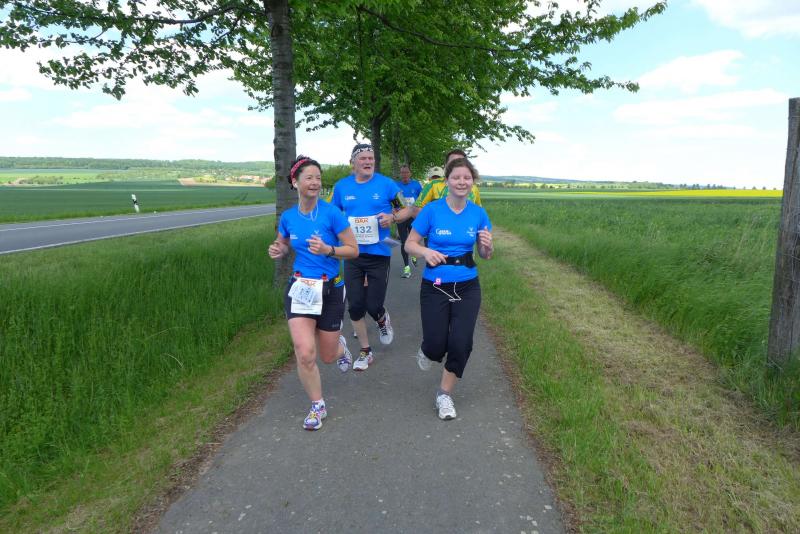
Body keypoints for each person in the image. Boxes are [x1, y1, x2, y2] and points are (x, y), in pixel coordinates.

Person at [269, 155, 359, 430]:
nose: (315, 182)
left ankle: (340, 347)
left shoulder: (332, 214)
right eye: (309, 177)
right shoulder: (288, 217)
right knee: (305, 352)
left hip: (330, 288)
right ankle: (317, 405)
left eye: (318, 178)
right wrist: (278, 249)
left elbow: (353, 250)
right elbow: (283, 243)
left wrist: (328, 250)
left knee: (327, 356)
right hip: (300, 289)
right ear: (295, 182)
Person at [404, 157, 493, 420]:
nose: (462, 182)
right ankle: (427, 350)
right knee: (435, 345)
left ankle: (444, 394)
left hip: (467, 285)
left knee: (461, 343)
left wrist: (487, 246)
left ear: (472, 181)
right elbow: (410, 243)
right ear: (447, 181)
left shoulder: (478, 213)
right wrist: (425, 252)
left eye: (467, 177)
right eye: (456, 177)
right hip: (436, 285)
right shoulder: (432, 210)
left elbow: (485, 254)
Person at [329, 143, 412, 371]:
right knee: (355, 306)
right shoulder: (342, 187)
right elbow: (331, 214)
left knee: (374, 305)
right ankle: (365, 351)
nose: (368, 162)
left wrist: (393, 218)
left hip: (378, 254)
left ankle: (381, 318)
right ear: (353, 163)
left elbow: (405, 209)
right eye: (363, 158)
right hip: (352, 253)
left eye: (371, 158)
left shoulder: (386, 185)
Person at [412, 149, 482, 217]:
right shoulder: (432, 185)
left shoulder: (473, 188)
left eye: (461, 163)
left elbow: (478, 211)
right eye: (453, 163)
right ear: (446, 165)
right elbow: (417, 209)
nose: (457, 166)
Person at [395, 164, 423, 278]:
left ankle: (414, 255)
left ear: (410, 173)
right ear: (400, 174)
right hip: (402, 217)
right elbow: (393, 200)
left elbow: (422, 199)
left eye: (406, 172)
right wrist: (396, 209)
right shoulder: (396, 185)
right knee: (404, 242)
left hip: (413, 217)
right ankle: (407, 267)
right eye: (402, 173)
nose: (404, 175)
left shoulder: (416, 185)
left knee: (414, 240)